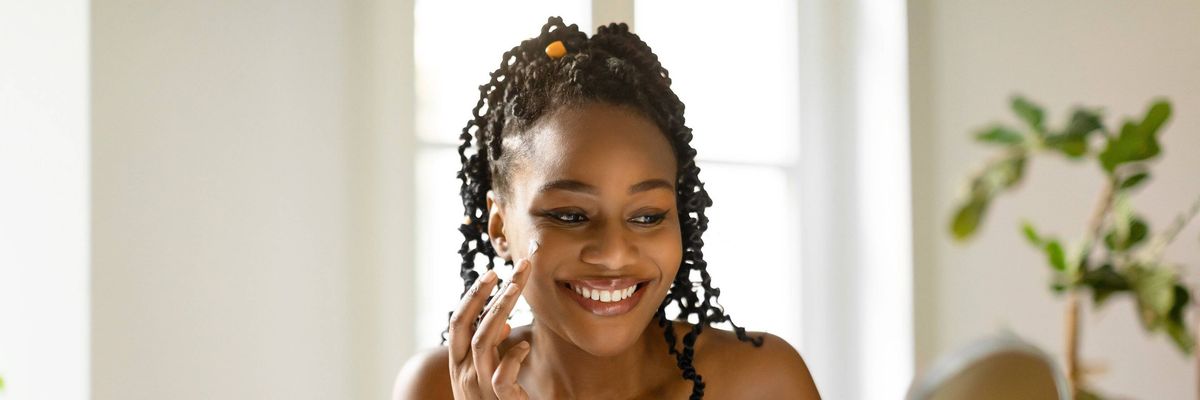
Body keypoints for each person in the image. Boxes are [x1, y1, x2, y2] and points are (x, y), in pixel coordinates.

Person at [395, 16, 821, 400]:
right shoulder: (438, 389)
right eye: (570, 216)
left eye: (647, 216)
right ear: (500, 226)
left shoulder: (764, 383)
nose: (614, 252)